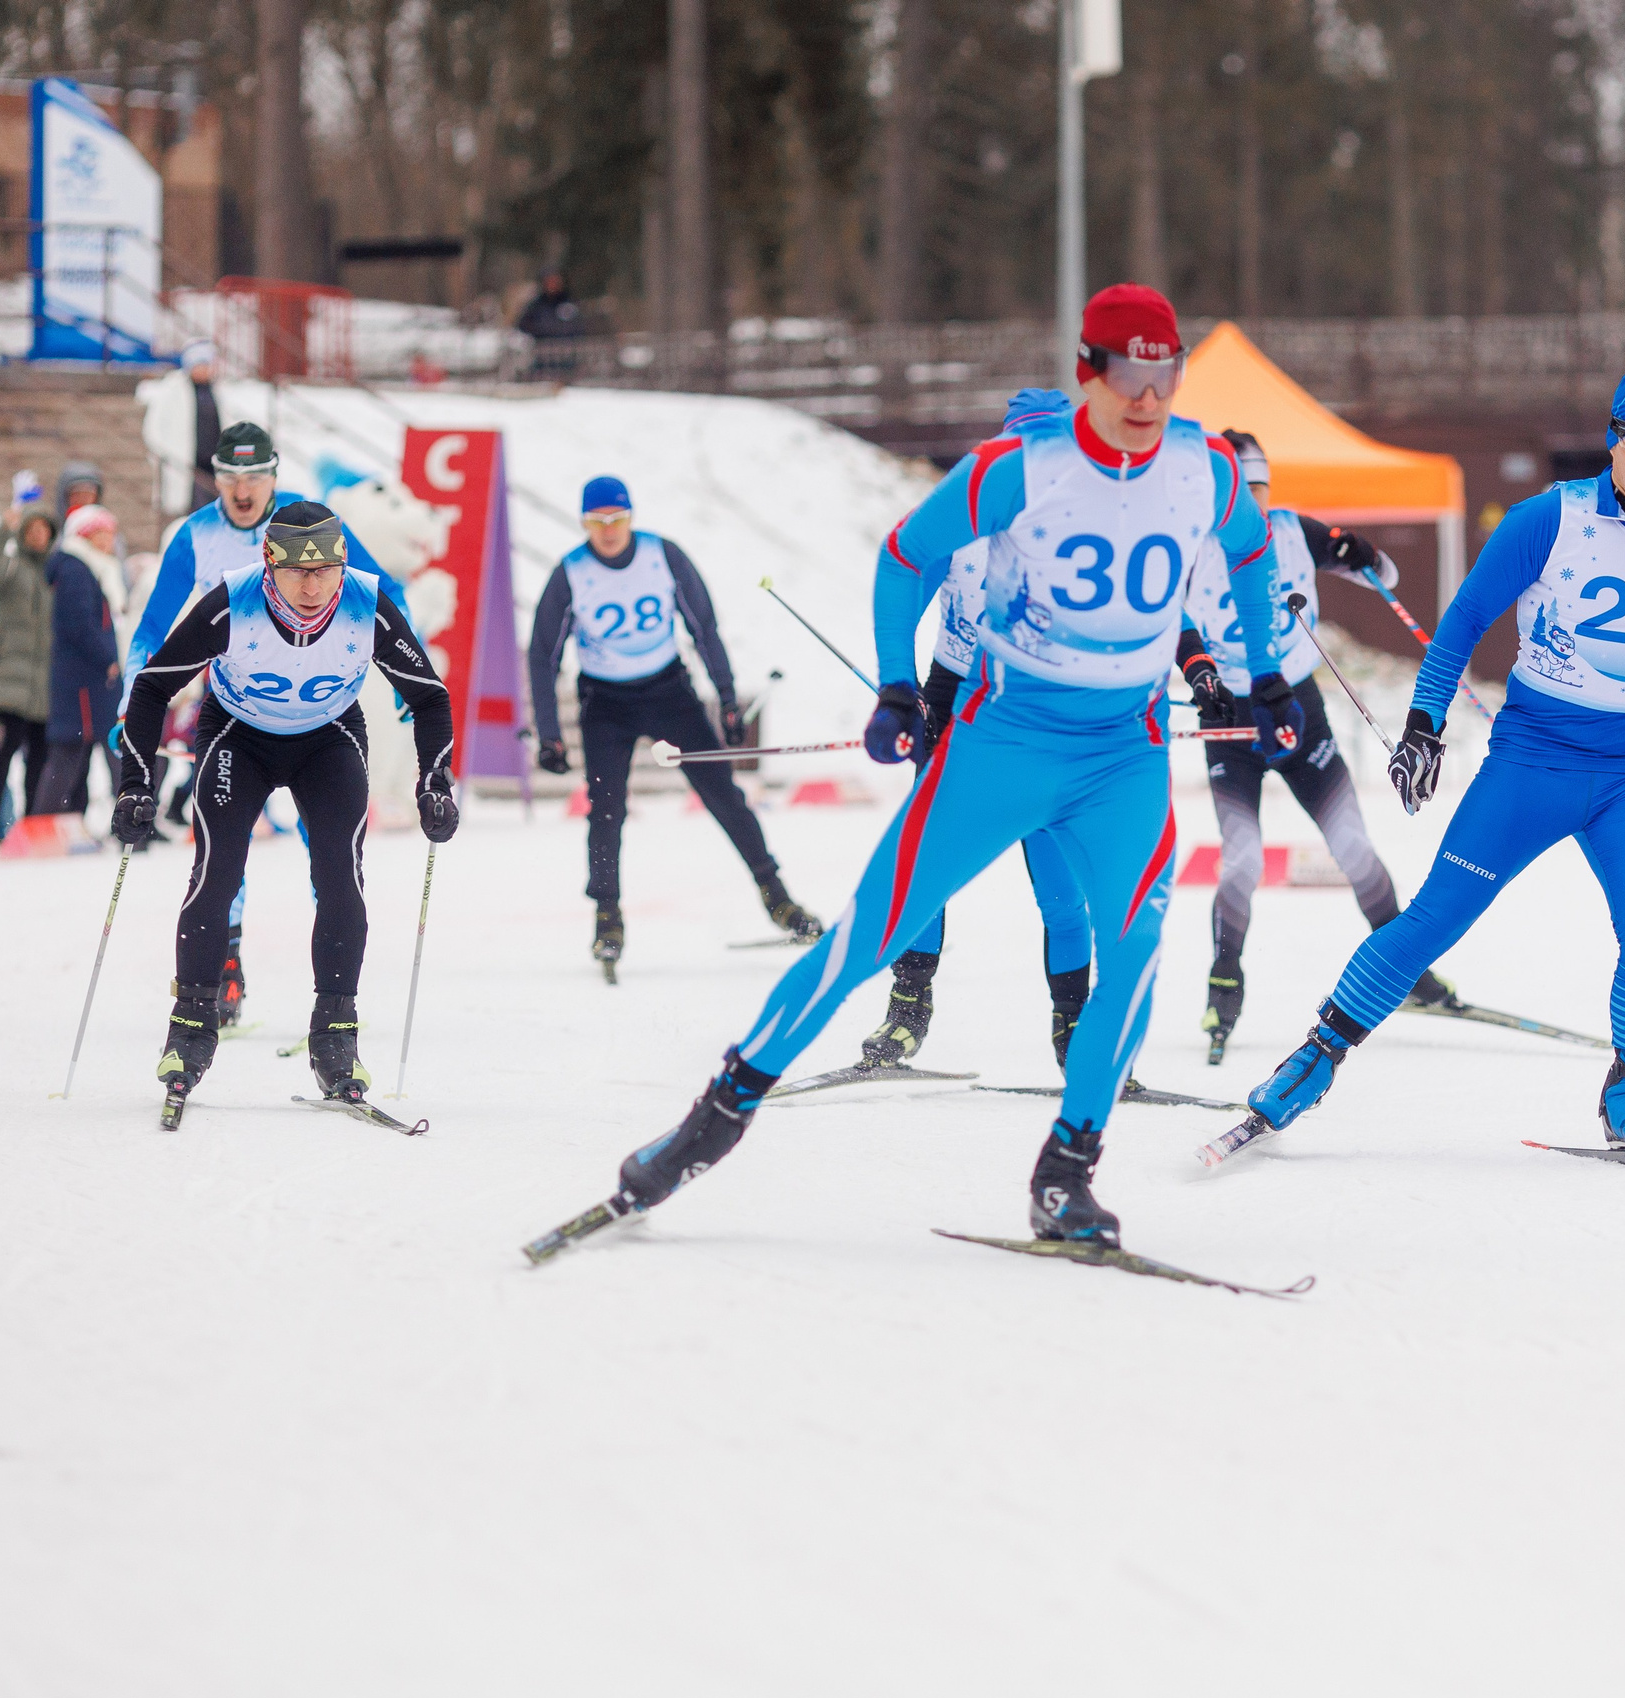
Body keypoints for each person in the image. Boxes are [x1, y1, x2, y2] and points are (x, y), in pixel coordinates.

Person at [569, 282, 1296, 1250]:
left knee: (1137, 954)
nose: (1147, 398)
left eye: (1165, 375)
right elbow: (904, 558)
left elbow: (1248, 555)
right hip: (1007, 739)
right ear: (1087, 372)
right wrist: (897, 687)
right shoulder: (1019, 469)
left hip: (1125, 753)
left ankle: (1066, 1170)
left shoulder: (1203, 470)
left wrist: (1269, 680)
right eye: (1127, 373)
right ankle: (710, 1122)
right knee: (870, 932)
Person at [1235, 360, 1625, 1158]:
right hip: (1532, 763)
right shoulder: (1552, 518)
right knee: (1436, 917)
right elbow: (1468, 615)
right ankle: (1317, 1055)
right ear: (1613, 443)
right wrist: (1423, 724)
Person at [113, 502, 456, 1110]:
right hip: (237, 737)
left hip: (328, 738)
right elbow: (152, 686)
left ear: (342, 564)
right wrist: (135, 783)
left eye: (323, 570)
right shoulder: (233, 600)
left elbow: (429, 697)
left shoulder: (366, 603)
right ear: (268, 563)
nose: (310, 584)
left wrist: (435, 780)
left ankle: (336, 1036)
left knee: (340, 880)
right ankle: (191, 1024)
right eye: (295, 570)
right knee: (216, 873)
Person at [1178, 427, 1462, 1063]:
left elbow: (1380, 574)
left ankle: (1404, 969)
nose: (1248, 503)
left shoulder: (1291, 530)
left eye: (1257, 488)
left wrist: (1362, 552)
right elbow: (1172, 623)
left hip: (1297, 707)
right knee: (1243, 857)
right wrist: (1196, 676)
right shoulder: (1189, 544)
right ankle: (1225, 980)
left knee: (1353, 844)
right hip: (1231, 716)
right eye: (1235, 490)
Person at [855, 389, 1103, 1074]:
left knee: (1062, 881)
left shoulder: (1090, 527)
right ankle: (908, 1007)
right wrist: (896, 689)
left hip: (1049, 708)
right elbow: (901, 587)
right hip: (956, 700)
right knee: (928, 864)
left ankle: (1074, 1030)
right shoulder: (964, 518)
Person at [122, 422, 404, 1022]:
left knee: (325, 849)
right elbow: (152, 628)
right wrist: (135, 694)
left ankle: (331, 993)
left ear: (274, 476)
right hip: (234, 705)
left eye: (254, 476)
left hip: (320, 709)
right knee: (223, 847)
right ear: (216, 480)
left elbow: (385, 595)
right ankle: (225, 966)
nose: (243, 489)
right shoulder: (195, 536)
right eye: (230, 478)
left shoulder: (310, 528)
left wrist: (408, 676)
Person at [528, 475, 821, 968]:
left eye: (617, 519)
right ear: (583, 525)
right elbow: (543, 656)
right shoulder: (571, 572)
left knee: (723, 795)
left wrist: (727, 699)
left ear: (631, 517)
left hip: (669, 693)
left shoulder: (664, 556)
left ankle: (777, 898)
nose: (608, 530)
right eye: (595, 522)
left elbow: (704, 628)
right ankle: (607, 917)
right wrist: (549, 734)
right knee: (605, 810)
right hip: (605, 703)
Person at [33, 508, 121, 820]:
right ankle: (42, 824)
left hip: (88, 677)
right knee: (79, 750)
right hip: (85, 679)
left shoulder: (89, 568)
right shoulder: (76, 569)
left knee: (81, 752)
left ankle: (51, 821)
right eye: (102, 534)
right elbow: (79, 623)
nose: (109, 541)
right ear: (85, 536)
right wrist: (108, 658)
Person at [0, 500, 56, 839]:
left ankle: (30, 819)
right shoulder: (11, 567)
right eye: (31, 529)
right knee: (7, 748)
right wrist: (3, 528)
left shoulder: (57, 571)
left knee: (39, 752)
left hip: (43, 680)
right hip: (11, 675)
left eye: (44, 530)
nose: (38, 536)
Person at [182, 343, 222, 515]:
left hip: (213, 461)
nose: (204, 370)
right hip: (191, 459)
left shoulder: (217, 391)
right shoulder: (176, 392)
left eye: (206, 365)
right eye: (199, 365)